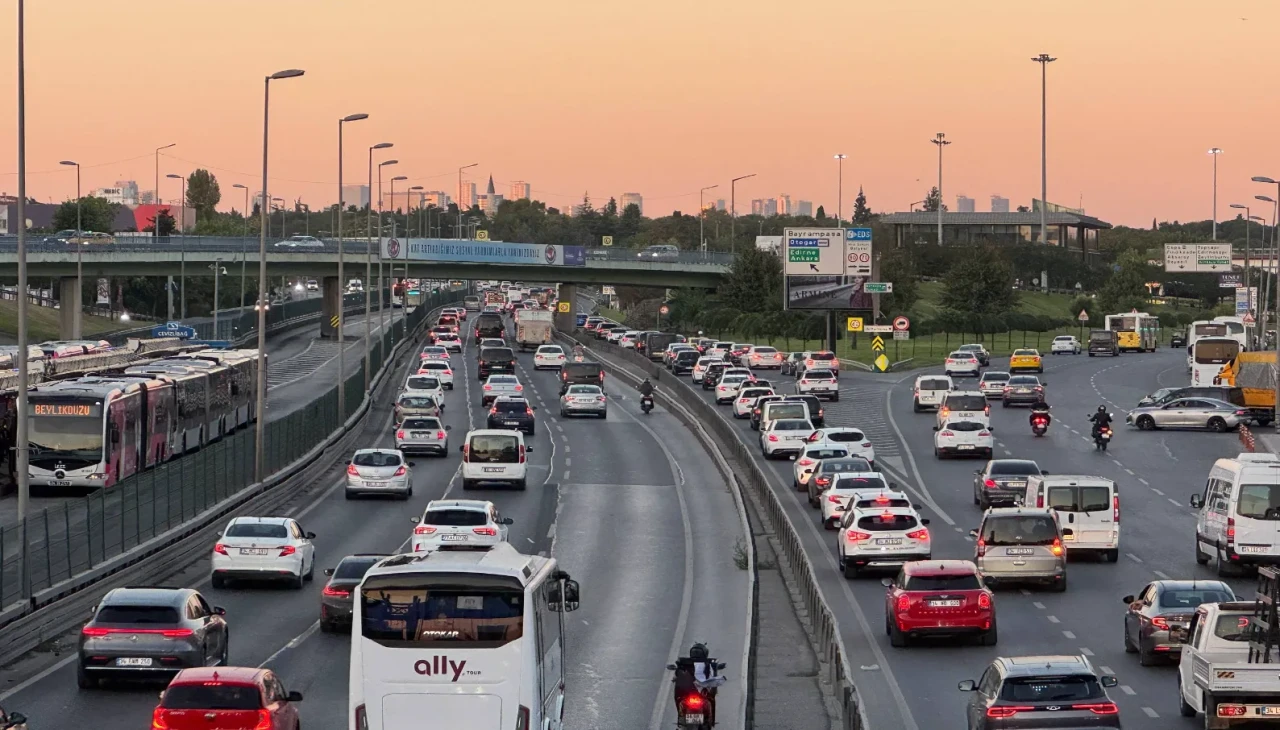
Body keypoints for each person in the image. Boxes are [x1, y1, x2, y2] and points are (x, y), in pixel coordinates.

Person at [671, 643, 725, 724]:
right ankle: (709, 720)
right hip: (697, 694)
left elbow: (677, 678)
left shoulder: (683, 664)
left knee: (678, 698)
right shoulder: (709, 664)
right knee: (711, 698)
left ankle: (681, 717)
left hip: (693, 694)